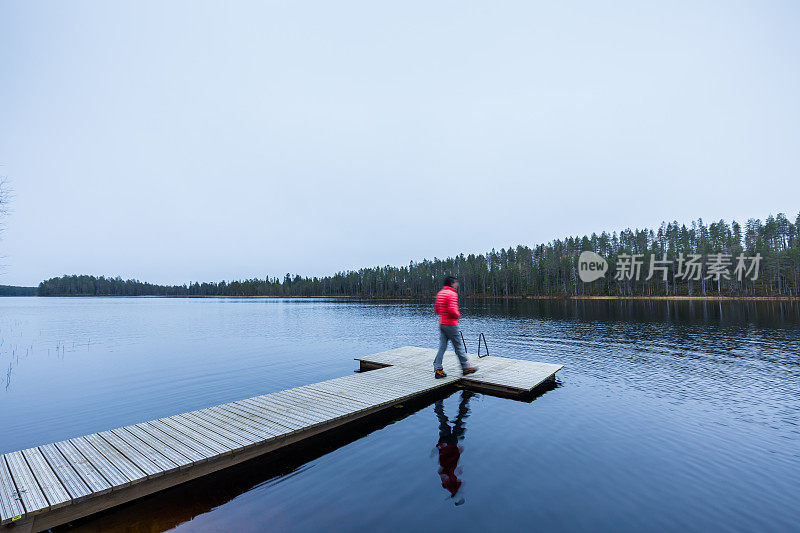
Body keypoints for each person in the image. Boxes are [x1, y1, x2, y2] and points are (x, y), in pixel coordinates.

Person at [433, 276, 477, 378]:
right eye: (455, 283)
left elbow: (436, 309)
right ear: (452, 283)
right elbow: (452, 309)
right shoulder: (452, 294)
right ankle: (465, 367)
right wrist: (458, 316)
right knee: (458, 346)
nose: (457, 285)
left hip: (442, 323)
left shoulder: (440, 293)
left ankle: (438, 369)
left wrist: (444, 315)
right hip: (451, 324)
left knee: (442, 347)